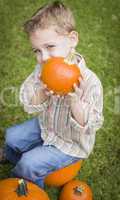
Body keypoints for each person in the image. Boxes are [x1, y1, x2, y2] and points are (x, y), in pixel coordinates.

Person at [0, 1, 104, 188]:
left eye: (50, 47)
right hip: (46, 126)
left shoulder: (90, 82)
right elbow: (27, 100)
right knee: (12, 137)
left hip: (69, 143)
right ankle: (13, 158)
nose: (44, 57)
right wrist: (42, 93)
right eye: (37, 51)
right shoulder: (42, 70)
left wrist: (75, 102)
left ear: (72, 39)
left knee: (29, 164)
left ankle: (27, 186)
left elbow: (92, 123)